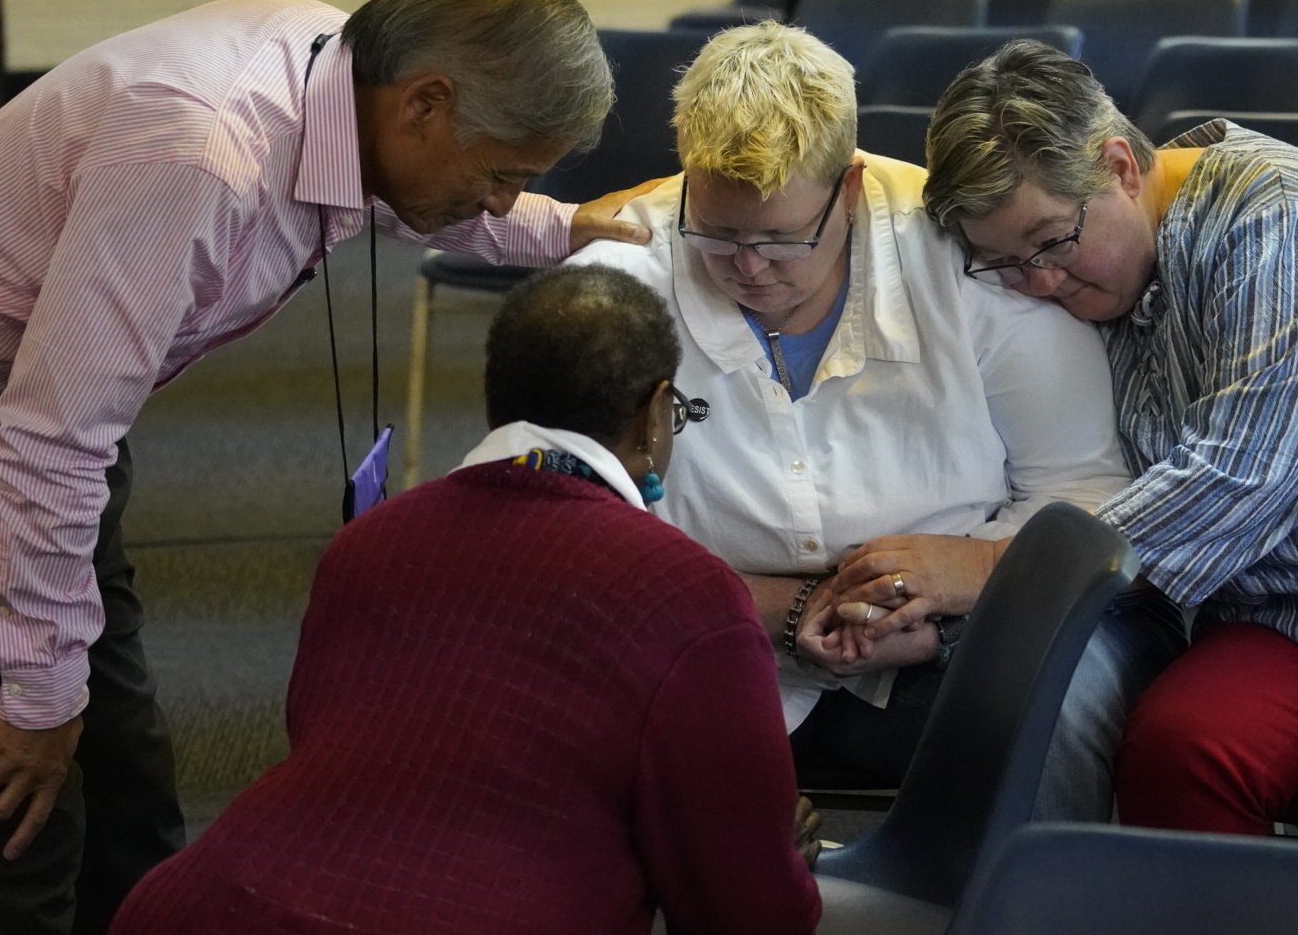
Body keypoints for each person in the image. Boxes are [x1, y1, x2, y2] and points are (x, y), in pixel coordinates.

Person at [0, 0, 654, 934]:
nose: (504, 202)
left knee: (123, 800)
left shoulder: (341, 64)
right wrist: (37, 697)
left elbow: (389, 190)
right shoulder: (198, 155)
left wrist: (559, 229)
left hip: (31, 411)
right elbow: (50, 445)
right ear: (424, 102)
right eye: (505, 174)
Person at [570, 22, 1182, 818]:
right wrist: (779, 608)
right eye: (718, 235)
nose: (750, 268)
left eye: (785, 240)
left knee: (1055, 706)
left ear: (850, 190)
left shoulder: (971, 261)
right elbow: (568, 537)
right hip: (703, 633)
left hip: (961, 632)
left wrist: (948, 587)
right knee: (538, 687)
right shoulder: (615, 281)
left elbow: (1087, 490)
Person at [107, 264, 823, 935]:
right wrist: (774, 855)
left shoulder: (368, 543)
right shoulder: (691, 594)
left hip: (199, 904)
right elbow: (750, 916)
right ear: (657, 414)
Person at [920, 40, 1298, 848]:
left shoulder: (1283, 222)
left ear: (1120, 165)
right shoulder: (1110, 249)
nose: (1041, 283)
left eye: (1052, 243)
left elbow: (1240, 476)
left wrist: (988, 571)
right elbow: (871, 188)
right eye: (1004, 265)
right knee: (1176, 753)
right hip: (1291, 612)